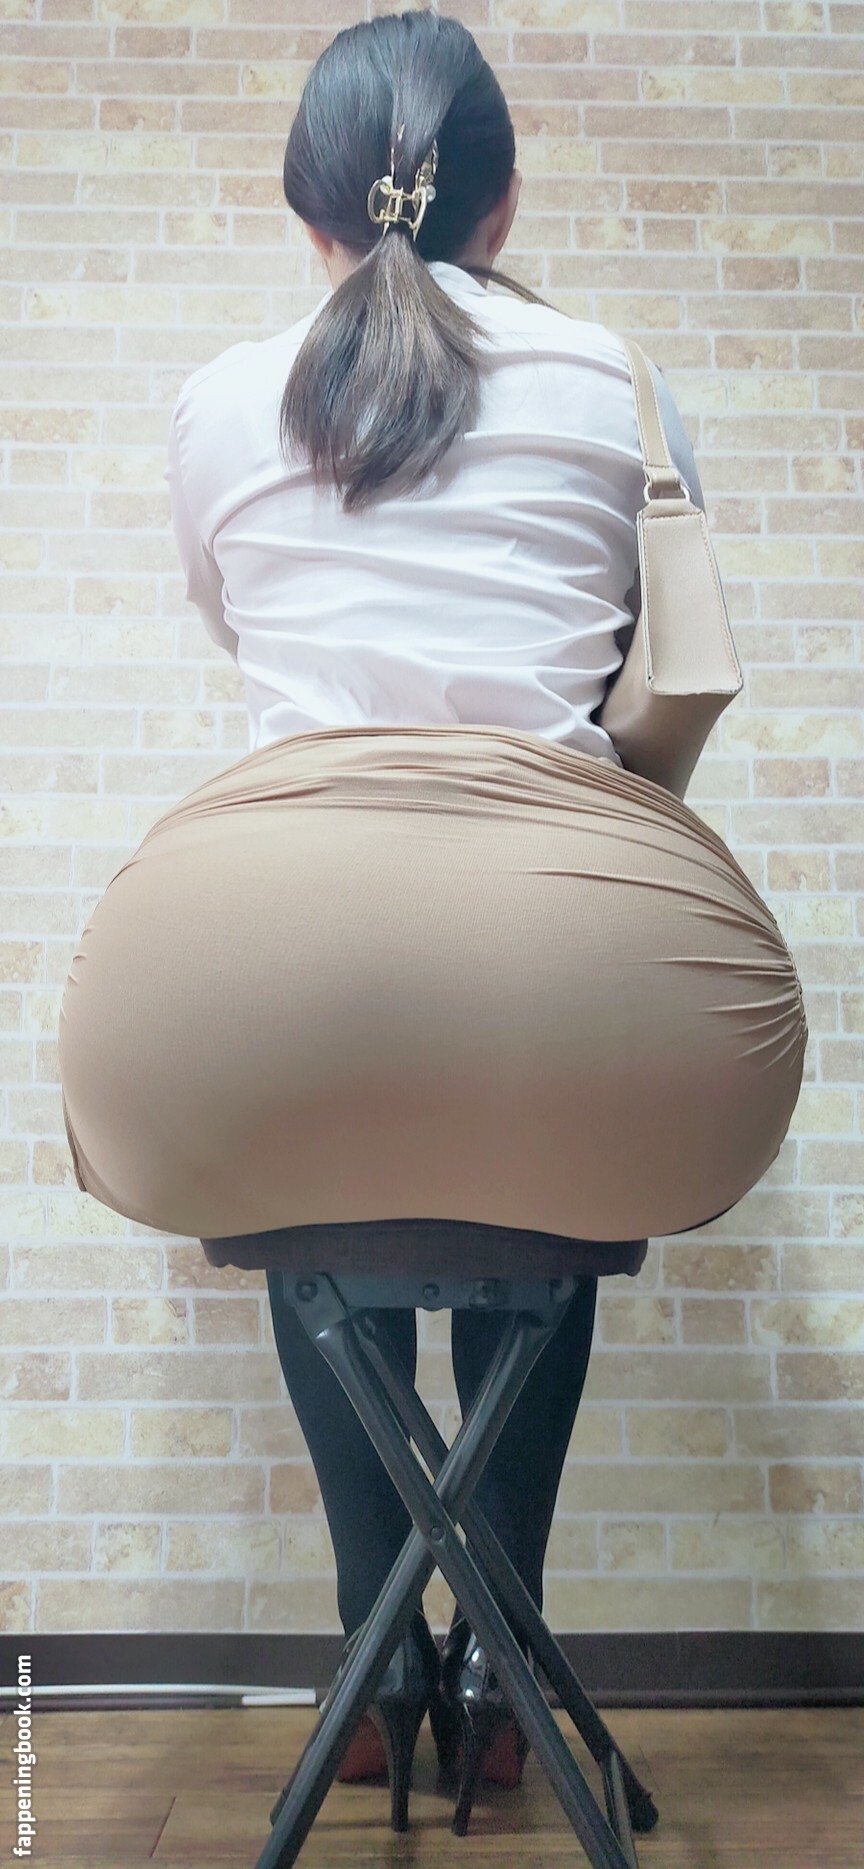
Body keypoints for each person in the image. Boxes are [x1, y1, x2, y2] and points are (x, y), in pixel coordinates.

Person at [163, 6, 710, 1828]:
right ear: (506, 199)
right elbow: (642, 656)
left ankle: (379, 1662)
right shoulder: (617, 383)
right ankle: (497, 1672)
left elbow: (247, 631)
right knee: (542, 1217)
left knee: (318, 1212)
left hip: (283, 963)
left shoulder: (223, 401)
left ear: (303, 209)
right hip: (565, 955)